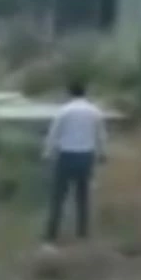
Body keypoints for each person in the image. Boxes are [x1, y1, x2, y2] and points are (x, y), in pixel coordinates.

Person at [42, 78, 107, 245]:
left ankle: (51, 233)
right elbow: (101, 135)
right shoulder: (94, 111)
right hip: (86, 156)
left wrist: (48, 153)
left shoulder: (64, 111)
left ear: (69, 93)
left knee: (58, 196)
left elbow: (53, 134)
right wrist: (103, 154)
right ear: (85, 93)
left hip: (66, 156)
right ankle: (82, 232)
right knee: (83, 196)